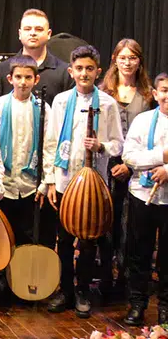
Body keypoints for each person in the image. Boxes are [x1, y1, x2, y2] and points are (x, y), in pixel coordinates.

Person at [42, 46, 123, 319]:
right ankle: (65, 290)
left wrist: (101, 146)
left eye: (89, 68)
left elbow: (118, 144)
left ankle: (82, 290)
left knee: (88, 240)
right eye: (79, 69)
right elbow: (51, 142)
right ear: (71, 71)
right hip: (65, 181)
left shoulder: (107, 104)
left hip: (93, 184)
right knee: (64, 239)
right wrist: (50, 181)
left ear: (98, 71)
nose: (84, 73)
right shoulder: (61, 101)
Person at [0, 56, 52, 307]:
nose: (23, 82)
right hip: (5, 183)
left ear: (36, 79)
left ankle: (22, 281)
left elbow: (48, 145)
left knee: (27, 235)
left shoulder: (42, 107)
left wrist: (45, 181)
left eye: (28, 77)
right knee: (4, 235)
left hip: (30, 184)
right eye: (18, 77)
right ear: (9, 79)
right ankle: (2, 281)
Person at [97, 39, 154, 301]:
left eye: (132, 57)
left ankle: (126, 278)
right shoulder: (103, 92)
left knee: (130, 225)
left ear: (139, 61)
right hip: (107, 163)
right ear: (115, 59)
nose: (127, 62)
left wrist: (130, 165)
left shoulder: (148, 95)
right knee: (106, 220)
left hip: (136, 167)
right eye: (123, 57)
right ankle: (104, 275)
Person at [120, 72, 168, 326]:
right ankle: (137, 304)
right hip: (142, 194)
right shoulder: (143, 120)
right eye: (165, 90)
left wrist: (167, 170)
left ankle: (165, 307)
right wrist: (162, 156)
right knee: (139, 253)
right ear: (156, 93)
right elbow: (129, 156)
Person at [0, 9, 72, 104]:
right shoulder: (0, 72)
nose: (33, 33)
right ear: (20, 34)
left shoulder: (65, 73)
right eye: (27, 29)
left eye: (39, 29)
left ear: (49, 34)